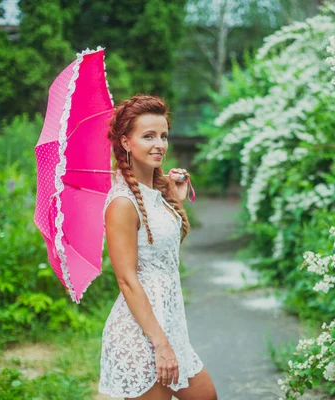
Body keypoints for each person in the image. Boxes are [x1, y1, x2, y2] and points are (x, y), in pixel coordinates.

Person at [98, 94, 217, 400]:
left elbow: (162, 253)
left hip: (170, 326)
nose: (159, 144)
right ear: (126, 142)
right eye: (148, 136)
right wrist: (160, 344)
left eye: (163, 136)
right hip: (142, 334)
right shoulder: (123, 204)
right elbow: (126, 279)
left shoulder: (157, 192)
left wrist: (175, 202)